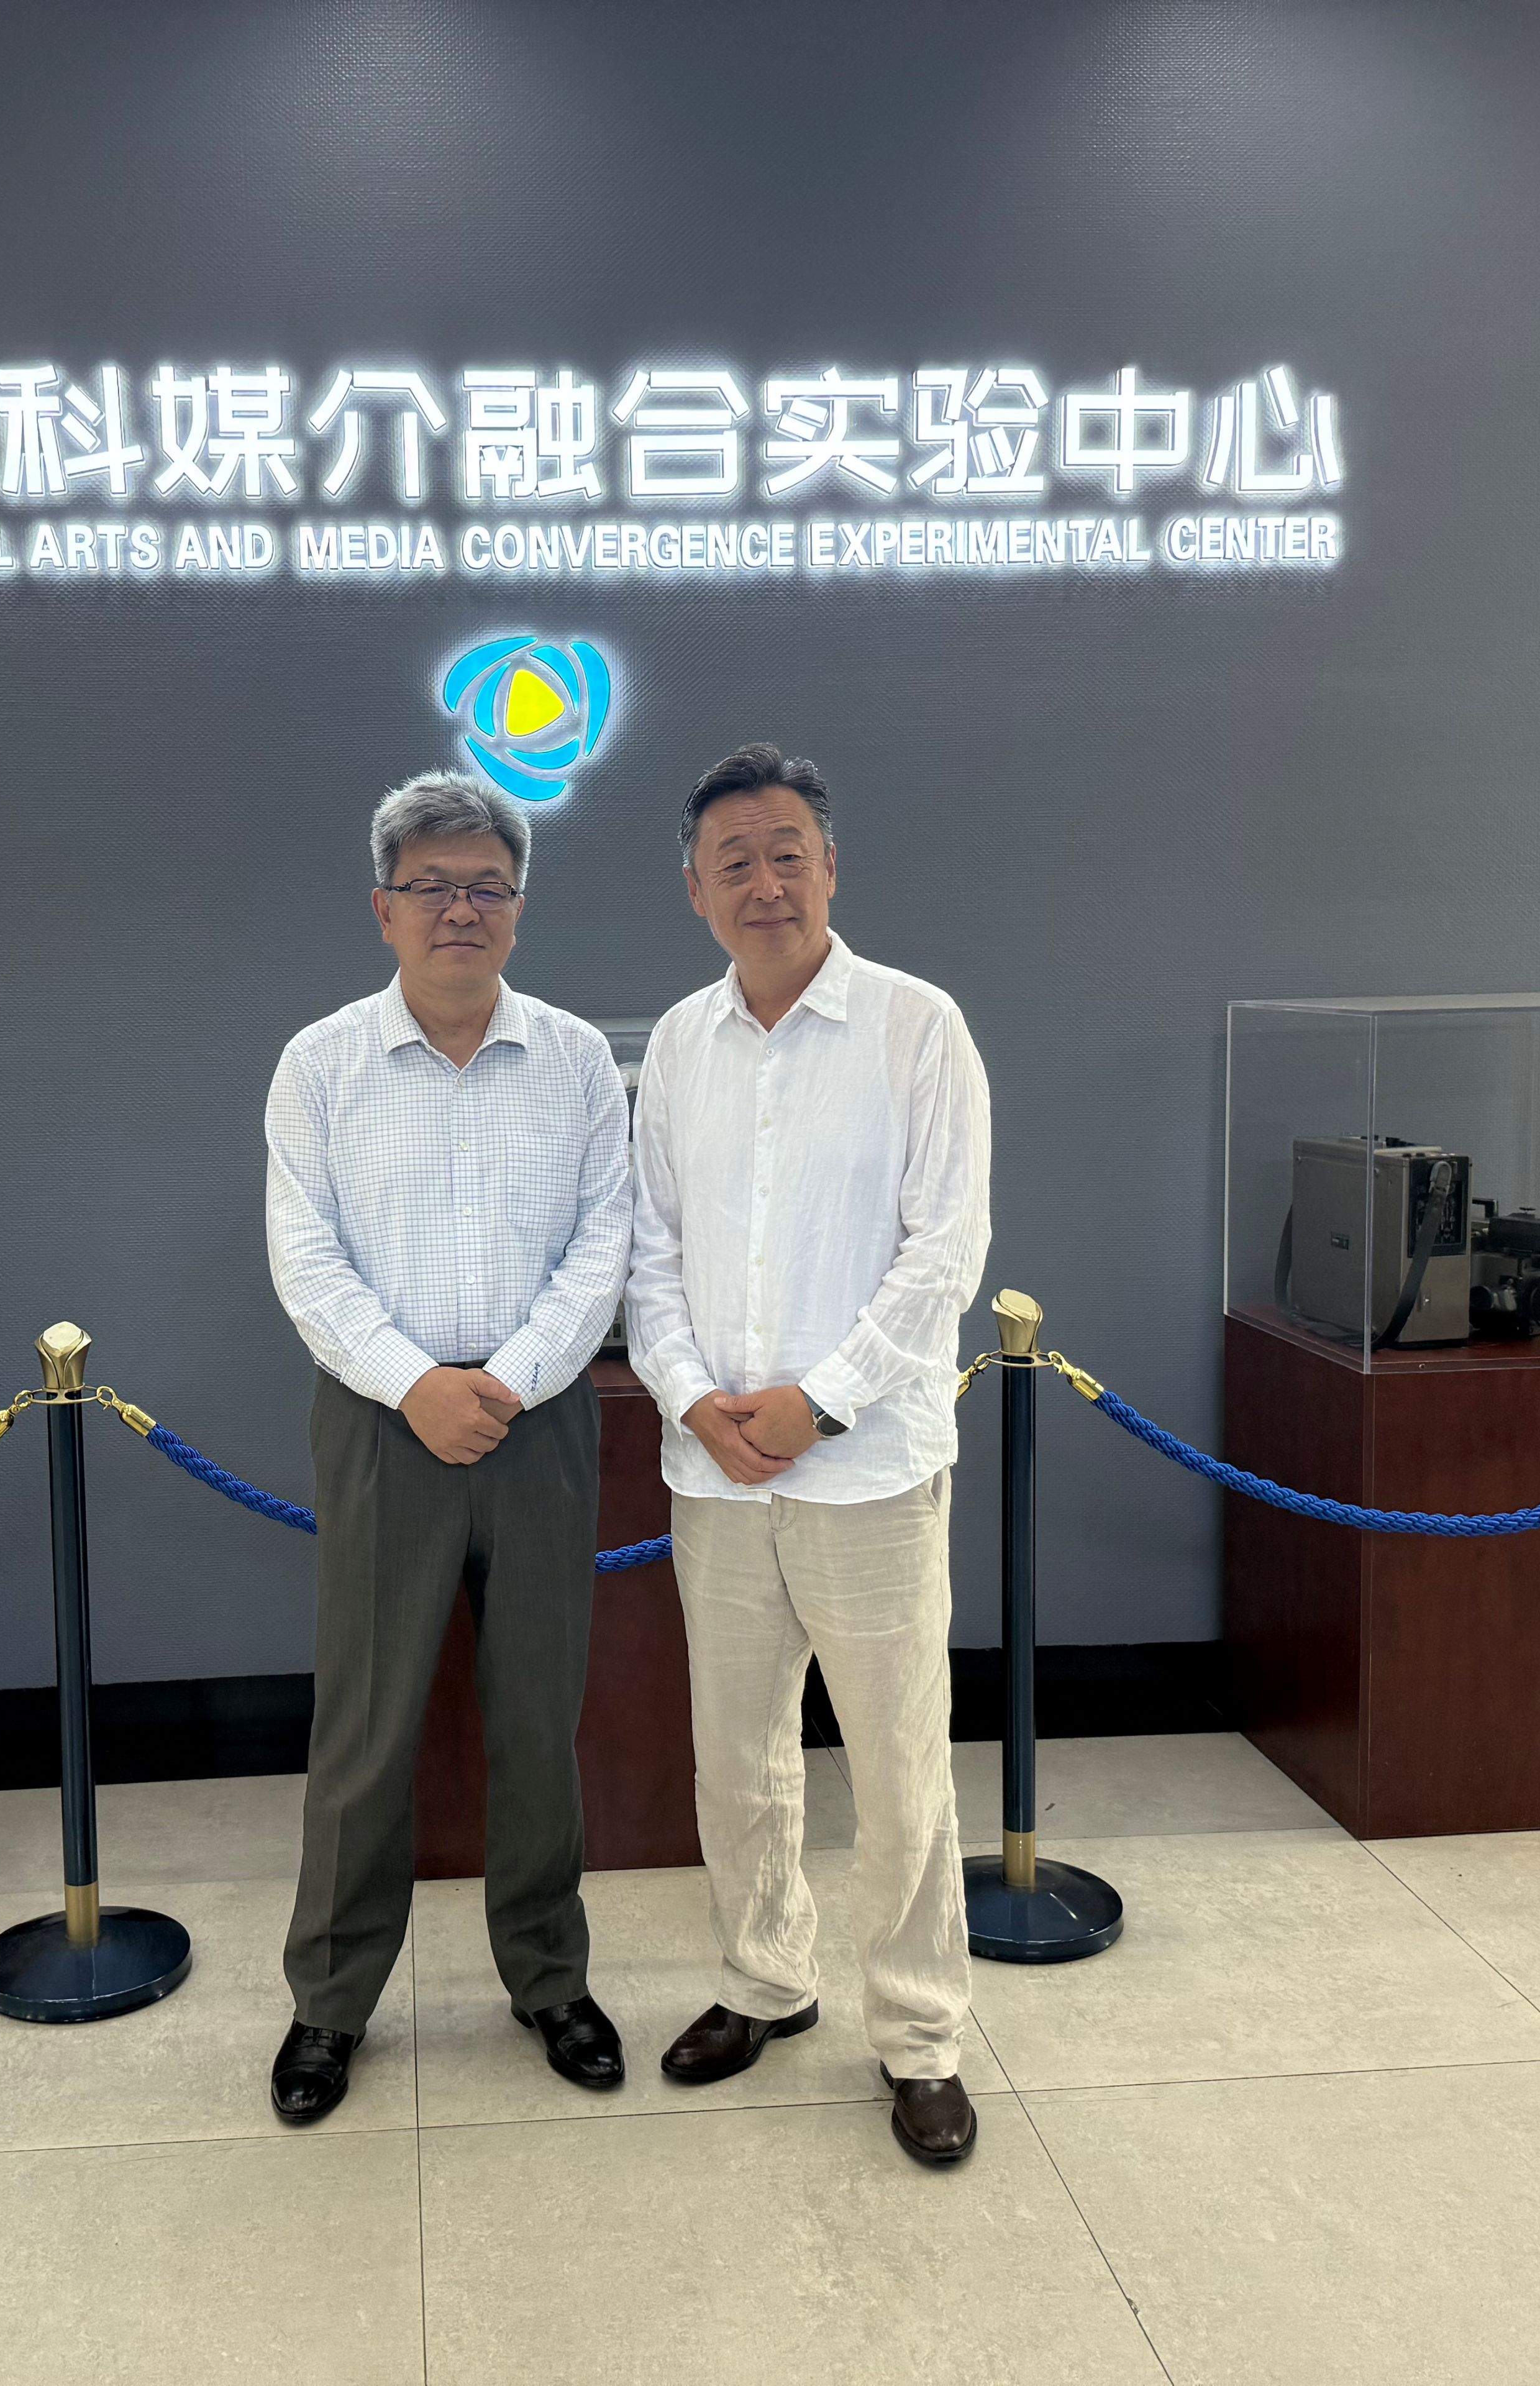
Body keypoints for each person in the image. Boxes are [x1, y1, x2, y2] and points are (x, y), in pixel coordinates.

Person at [625, 741, 993, 2164]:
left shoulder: (916, 1026)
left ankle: (918, 2032)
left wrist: (817, 1404)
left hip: (870, 1473)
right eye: (735, 861)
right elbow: (650, 1252)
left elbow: (943, 1250)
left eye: (788, 854)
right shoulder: (677, 1044)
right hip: (713, 1477)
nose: (764, 883)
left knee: (898, 1772)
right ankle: (766, 1980)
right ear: (693, 890)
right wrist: (692, 1399)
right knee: (738, 1760)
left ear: (831, 868)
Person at [261, 769, 634, 2123]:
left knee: (538, 1723)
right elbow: (305, 1260)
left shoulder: (579, 1061)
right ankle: (331, 1999)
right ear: (384, 910)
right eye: (431, 886)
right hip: (381, 1426)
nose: (458, 909)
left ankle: (549, 1978)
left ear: (519, 908)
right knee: (365, 1729)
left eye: (486, 886)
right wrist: (416, 1385)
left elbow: (606, 1243)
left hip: (542, 1428)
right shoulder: (319, 1065)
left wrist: (513, 1382)